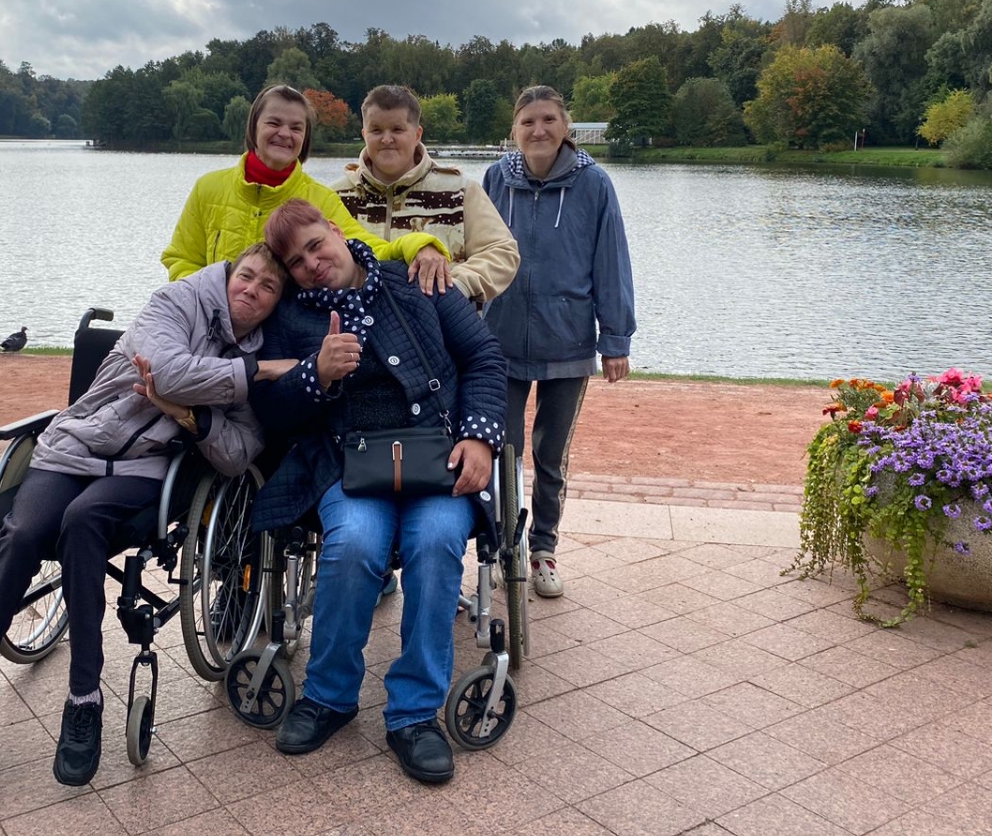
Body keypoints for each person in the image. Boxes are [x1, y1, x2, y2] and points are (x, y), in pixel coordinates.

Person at [0, 245, 293, 807]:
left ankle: (84, 699)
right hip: (71, 447)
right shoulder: (175, 302)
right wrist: (255, 373)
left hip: (145, 467)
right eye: (245, 276)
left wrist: (189, 415)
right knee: (22, 536)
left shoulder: (256, 346)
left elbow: (239, 449)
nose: (251, 290)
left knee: (83, 521)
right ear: (227, 276)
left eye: (267, 287)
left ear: (275, 303)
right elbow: (166, 370)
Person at [249, 199, 506, 784]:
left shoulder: (414, 282)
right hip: (347, 464)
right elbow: (269, 410)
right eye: (296, 262)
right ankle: (329, 696)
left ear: (335, 232)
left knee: (436, 542)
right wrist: (315, 375)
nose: (312, 264)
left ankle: (414, 714)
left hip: (437, 459)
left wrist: (480, 438)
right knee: (355, 544)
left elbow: (485, 358)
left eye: (316, 246)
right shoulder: (290, 317)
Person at [481, 86, 636, 599]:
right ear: (514, 129)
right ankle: (504, 547)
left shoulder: (593, 184)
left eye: (549, 119)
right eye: (528, 121)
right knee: (501, 451)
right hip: (499, 341)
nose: (539, 130)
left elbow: (611, 260)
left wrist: (615, 338)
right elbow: (473, 251)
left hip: (567, 341)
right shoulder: (495, 179)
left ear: (566, 126)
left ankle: (543, 549)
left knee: (550, 455)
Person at [161, 84, 452, 294]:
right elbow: (181, 258)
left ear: (305, 138)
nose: (284, 134)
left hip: (283, 338)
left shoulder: (320, 198)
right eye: (274, 123)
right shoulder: (208, 188)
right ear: (254, 127)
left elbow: (367, 247)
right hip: (211, 327)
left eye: (296, 128)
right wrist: (209, 300)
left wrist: (419, 246)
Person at [329, 84, 519, 305]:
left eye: (397, 129)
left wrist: (458, 285)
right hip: (353, 324)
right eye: (376, 130)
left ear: (417, 134)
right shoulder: (336, 196)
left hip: (442, 324)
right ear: (364, 134)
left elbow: (502, 252)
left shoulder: (459, 191)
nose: (387, 139)